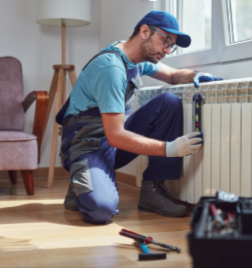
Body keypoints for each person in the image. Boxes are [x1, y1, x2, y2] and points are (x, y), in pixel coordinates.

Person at [56, 11, 222, 224]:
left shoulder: (136, 60)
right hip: (87, 145)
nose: (167, 50)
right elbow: (116, 136)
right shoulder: (110, 68)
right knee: (101, 211)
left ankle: (153, 191)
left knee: (168, 102)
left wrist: (196, 76)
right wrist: (169, 149)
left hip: (111, 142)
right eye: (166, 41)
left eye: (172, 45)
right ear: (145, 31)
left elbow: (172, 75)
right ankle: (80, 180)